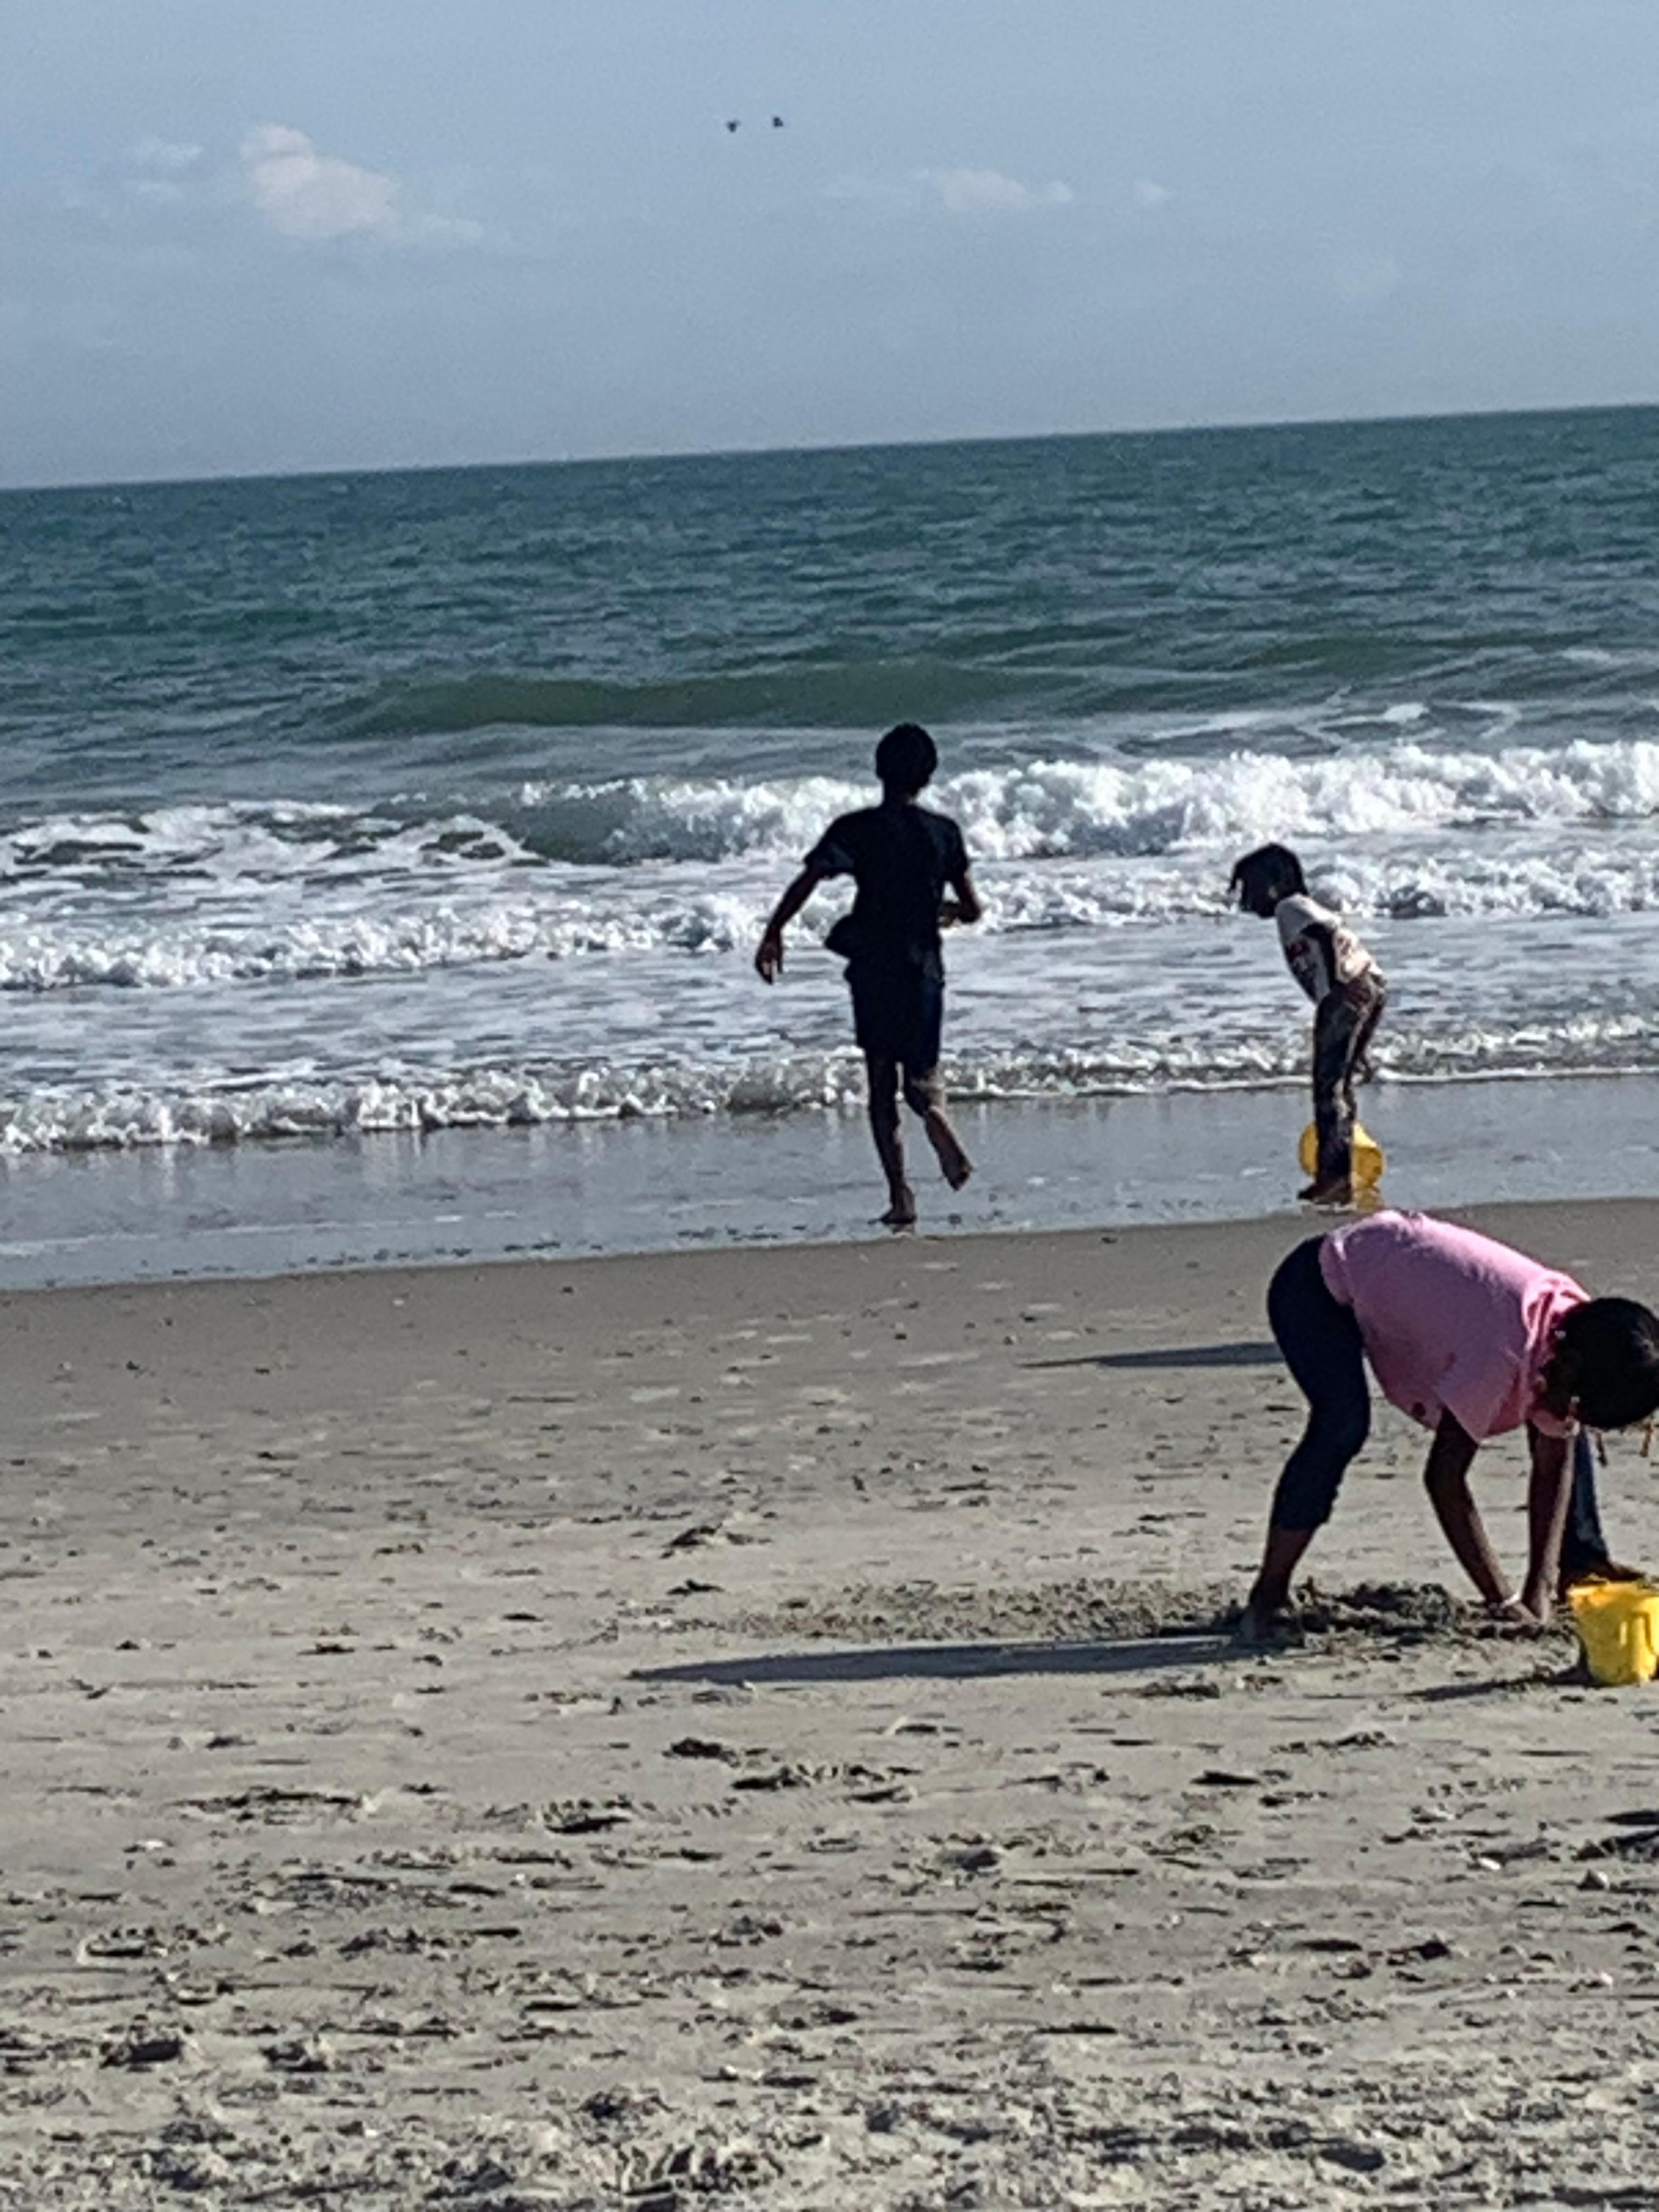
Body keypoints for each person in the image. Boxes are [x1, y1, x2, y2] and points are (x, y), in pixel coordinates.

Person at [1240, 1208, 1659, 1641]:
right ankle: (1268, 1596)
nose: (1568, 1418)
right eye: (1574, 1405)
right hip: (1319, 1284)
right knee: (1342, 1423)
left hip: (1404, 1273)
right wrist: (1502, 1601)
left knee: (1563, 1433)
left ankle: (1574, 1565)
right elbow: (1444, 1479)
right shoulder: (1502, 1354)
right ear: (1566, 1367)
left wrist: (1538, 1591)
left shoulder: (1578, 1328)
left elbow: (1554, 1462)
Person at [755, 723, 980, 1228]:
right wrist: (942, 910)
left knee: (881, 1083)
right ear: (928, 775)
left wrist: (774, 931)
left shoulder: (856, 828)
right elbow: (973, 908)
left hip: (873, 967)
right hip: (923, 968)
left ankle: (902, 1198)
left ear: (880, 771)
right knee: (922, 1076)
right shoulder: (944, 833)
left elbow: (808, 879)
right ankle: (937, 1117)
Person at [1230, 843, 1386, 1206]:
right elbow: (1376, 980)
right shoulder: (1303, 907)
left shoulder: (1291, 907)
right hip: (1367, 985)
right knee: (1341, 1085)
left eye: (1249, 889)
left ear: (1273, 883)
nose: (1246, 901)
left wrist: (1335, 984)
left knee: (1326, 1089)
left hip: (1344, 991)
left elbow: (1322, 935)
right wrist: (1360, 1044)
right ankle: (1339, 1173)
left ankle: (1334, 1179)